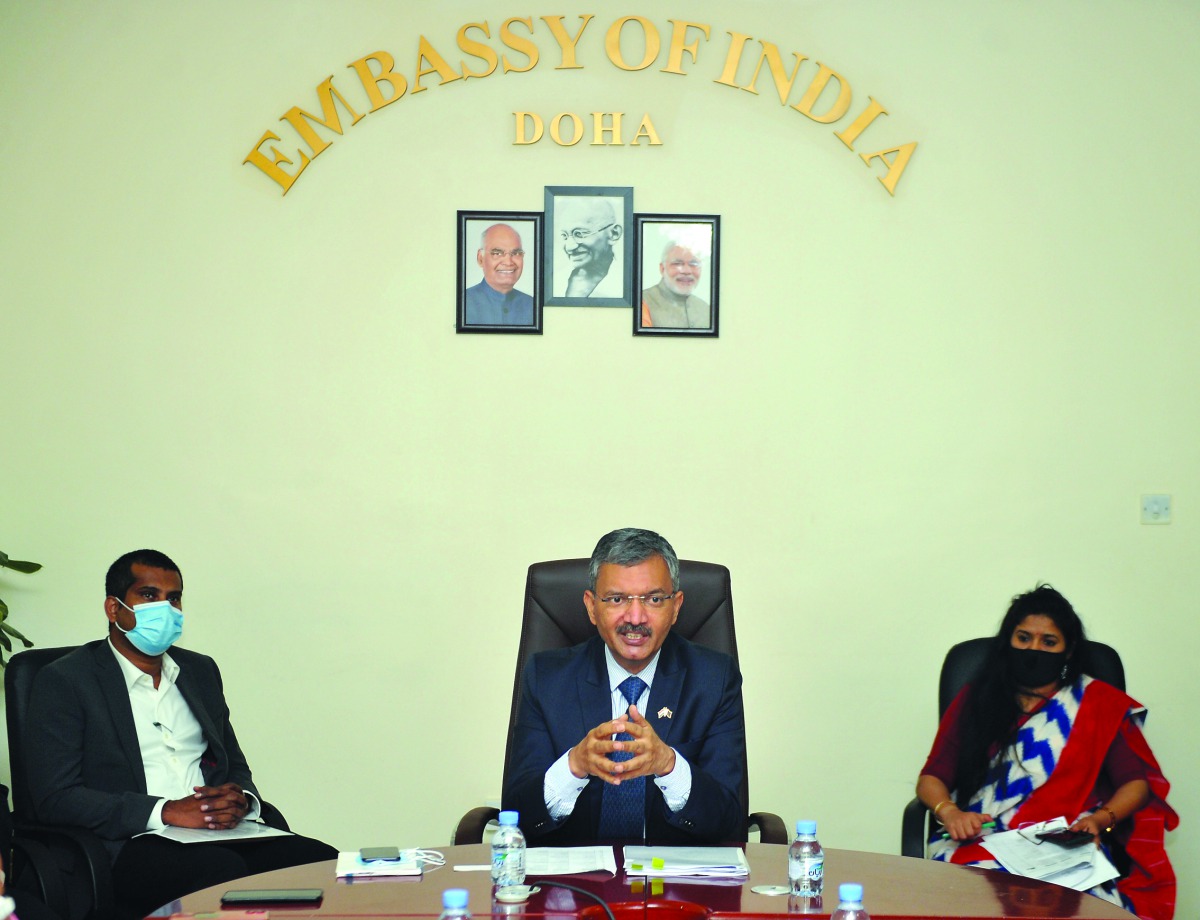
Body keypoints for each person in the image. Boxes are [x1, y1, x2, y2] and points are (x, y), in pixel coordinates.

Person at [24, 550, 337, 918]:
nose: (166, 608)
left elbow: (234, 764)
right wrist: (166, 811)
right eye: (149, 595)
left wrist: (242, 801)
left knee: (320, 862)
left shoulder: (199, 671)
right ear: (114, 608)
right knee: (221, 876)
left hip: (220, 834)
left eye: (174, 598)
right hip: (131, 842)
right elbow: (56, 797)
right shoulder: (66, 680)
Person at [916, 585, 1177, 919]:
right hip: (985, 839)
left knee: (1091, 906)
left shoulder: (1096, 704)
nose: (1033, 649)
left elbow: (1136, 785)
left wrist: (1099, 820)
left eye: (1048, 642)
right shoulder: (976, 699)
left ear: (1068, 652)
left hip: (1064, 845)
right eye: (1023, 638)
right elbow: (931, 778)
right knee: (975, 900)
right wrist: (950, 812)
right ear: (1007, 642)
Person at [502, 528, 745, 844]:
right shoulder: (546, 678)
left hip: (675, 885)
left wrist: (668, 765)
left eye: (654, 599)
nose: (635, 617)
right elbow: (517, 817)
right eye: (617, 599)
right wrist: (574, 765)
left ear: (676, 607)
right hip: (573, 887)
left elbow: (728, 820)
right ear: (591, 606)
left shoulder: (714, 679)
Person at [464, 223, 534, 325]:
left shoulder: (533, 305)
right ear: (480, 258)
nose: (508, 262)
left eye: (516, 253)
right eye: (497, 253)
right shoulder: (463, 303)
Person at [555, 197, 623, 298]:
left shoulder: (626, 284)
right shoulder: (555, 282)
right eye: (565, 236)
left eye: (579, 234)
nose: (570, 247)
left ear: (614, 234)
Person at [640, 242, 710, 329]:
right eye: (677, 264)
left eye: (694, 264)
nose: (686, 271)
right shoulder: (642, 301)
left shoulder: (705, 309)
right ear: (662, 269)